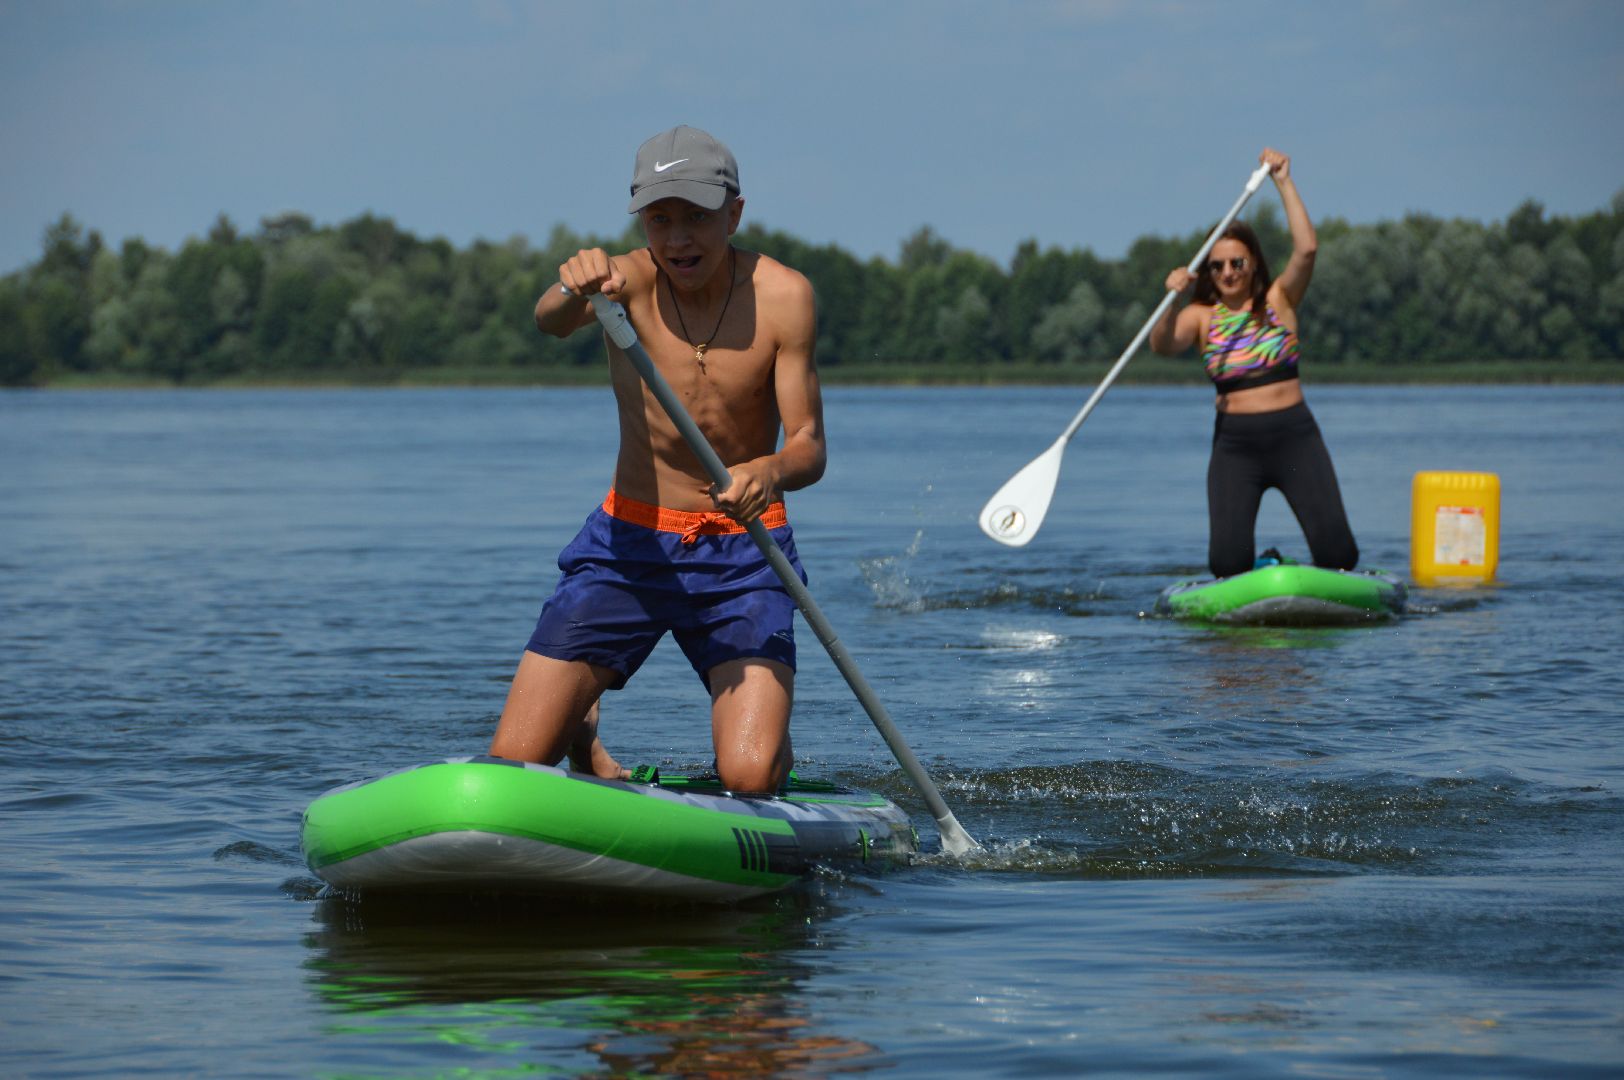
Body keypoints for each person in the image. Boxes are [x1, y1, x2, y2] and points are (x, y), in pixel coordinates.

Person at [488, 125, 825, 795]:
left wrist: (769, 471)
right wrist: (571, 286)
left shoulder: (785, 296)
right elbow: (549, 320)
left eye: (696, 218)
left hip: (744, 553)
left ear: (734, 212)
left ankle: (764, 730)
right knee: (517, 766)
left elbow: (809, 445)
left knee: (751, 775)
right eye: (659, 219)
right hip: (629, 545)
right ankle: (582, 724)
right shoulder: (623, 283)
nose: (677, 239)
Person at [1148, 147, 1359, 579]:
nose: (1228, 272)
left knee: (1340, 556)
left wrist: (1283, 181)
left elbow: (1307, 249)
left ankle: (1298, 570)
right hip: (1236, 446)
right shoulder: (1200, 316)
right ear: (1208, 272)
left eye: (1237, 263)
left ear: (1253, 263)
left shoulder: (1278, 300)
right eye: (1218, 265)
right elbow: (1163, 345)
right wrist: (1172, 301)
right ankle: (1260, 569)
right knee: (1226, 564)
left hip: (1295, 437)